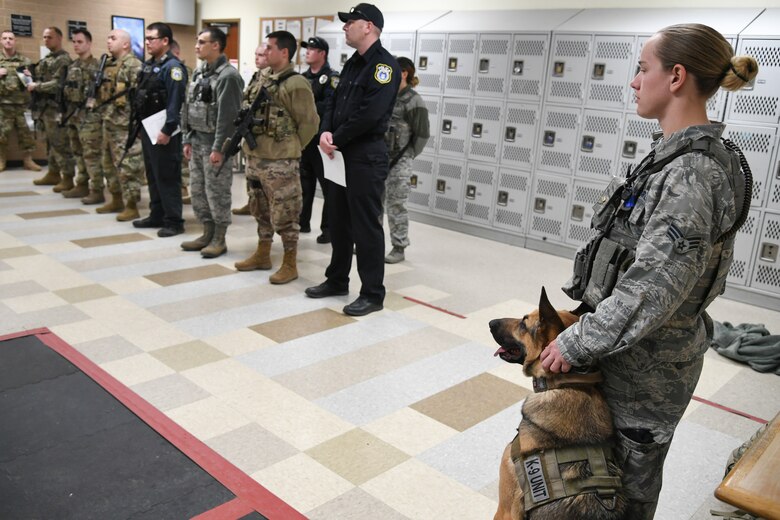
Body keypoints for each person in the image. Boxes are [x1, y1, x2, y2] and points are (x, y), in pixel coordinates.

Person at [539, 23, 758, 519]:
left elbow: (654, 288)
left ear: (676, 76)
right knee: (591, 486)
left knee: (623, 497)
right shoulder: (672, 158)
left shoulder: (692, 173)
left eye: (643, 69)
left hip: (647, 372)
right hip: (623, 352)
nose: (634, 82)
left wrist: (574, 343)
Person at [305, 3, 400, 316]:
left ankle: (372, 294)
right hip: (338, 154)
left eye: (351, 22)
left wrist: (337, 137)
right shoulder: (351, 65)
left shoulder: (384, 66)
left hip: (365, 156)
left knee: (366, 227)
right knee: (339, 221)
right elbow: (332, 102)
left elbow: (371, 114)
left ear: (368, 26)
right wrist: (325, 131)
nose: (345, 27)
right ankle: (337, 279)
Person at [234, 31, 318, 285]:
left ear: (284, 52)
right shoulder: (262, 78)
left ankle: (290, 262)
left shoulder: (296, 84)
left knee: (286, 211)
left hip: (280, 161)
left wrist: (290, 149)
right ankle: (262, 253)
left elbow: (310, 123)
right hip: (256, 157)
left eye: (270, 48)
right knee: (259, 207)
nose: (265, 51)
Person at [180, 27, 243, 258]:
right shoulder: (199, 73)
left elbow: (227, 119)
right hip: (196, 141)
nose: (196, 45)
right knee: (198, 191)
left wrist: (219, 149)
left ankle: (220, 238)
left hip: (214, 146)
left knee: (217, 192)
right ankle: (207, 232)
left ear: (215, 45)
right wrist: (187, 138)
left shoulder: (229, 76)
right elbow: (187, 108)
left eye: (201, 42)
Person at [132, 22, 187, 237]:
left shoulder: (173, 68)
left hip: (165, 129)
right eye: (146, 39)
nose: (147, 42)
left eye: (151, 39)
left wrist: (167, 129)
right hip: (148, 128)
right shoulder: (149, 65)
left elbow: (175, 102)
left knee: (167, 175)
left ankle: (174, 220)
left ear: (165, 41)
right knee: (153, 174)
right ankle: (157, 214)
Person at [382, 56, 429, 264]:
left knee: (396, 204)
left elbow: (422, 134)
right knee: (374, 203)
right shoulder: (385, 95)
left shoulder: (414, 100)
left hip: (400, 160)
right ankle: (371, 242)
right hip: (379, 157)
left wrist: (407, 156)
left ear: (403, 74)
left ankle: (399, 246)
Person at [93, 29, 144, 219]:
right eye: (107, 37)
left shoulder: (134, 66)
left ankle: (132, 205)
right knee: (108, 164)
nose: (108, 41)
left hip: (125, 126)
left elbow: (140, 99)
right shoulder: (107, 65)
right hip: (108, 122)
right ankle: (116, 198)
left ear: (125, 44)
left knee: (128, 165)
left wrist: (138, 126)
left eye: (113, 38)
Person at [299, 36, 339, 244]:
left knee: (328, 187)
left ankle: (328, 229)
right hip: (304, 140)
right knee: (304, 184)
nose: (307, 52)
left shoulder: (332, 78)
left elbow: (330, 106)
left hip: (321, 141)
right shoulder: (303, 77)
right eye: (306, 49)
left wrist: (309, 107)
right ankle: (302, 222)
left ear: (322, 53)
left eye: (312, 49)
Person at [27, 27, 73, 188]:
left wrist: (37, 86)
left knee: (60, 144)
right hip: (44, 108)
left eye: (50, 37)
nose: (46, 40)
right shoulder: (47, 59)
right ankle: (53, 173)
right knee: (50, 143)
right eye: (45, 37)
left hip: (56, 108)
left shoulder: (64, 59)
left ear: (59, 38)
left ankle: (67, 177)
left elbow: (58, 84)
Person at [60, 29, 101, 200]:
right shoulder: (71, 67)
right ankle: (82, 184)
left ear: (89, 43)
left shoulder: (98, 66)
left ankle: (97, 190)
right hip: (73, 115)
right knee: (77, 152)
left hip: (90, 118)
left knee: (91, 154)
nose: (76, 45)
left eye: (80, 42)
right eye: (74, 42)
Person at [232, 44, 269, 217]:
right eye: (256, 54)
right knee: (250, 172)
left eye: (261, 55)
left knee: (262, 178)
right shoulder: (256, 76)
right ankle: (251, 202)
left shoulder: (270, 78)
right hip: (250, 132)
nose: (257, 58)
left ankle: (261, 206)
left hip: (264, 136)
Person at [0, 30, 41, 172]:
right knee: (1, 134)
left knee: (25, 134)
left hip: (22, 105)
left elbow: (32, 84)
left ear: (15, 41)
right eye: (4, 38)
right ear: (1, 41)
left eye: (10, 38)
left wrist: (31, 76)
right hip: (2, 104)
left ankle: (28, 160)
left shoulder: (25, 61)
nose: (8, 41)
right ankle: (1, 160)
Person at [170, 38, 193, 205]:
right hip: (168, 120)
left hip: (184, 120)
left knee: (182, 156)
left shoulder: (186, 72)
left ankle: (183, 187)